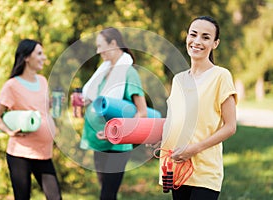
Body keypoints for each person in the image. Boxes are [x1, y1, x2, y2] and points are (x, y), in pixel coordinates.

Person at [159, 16, 237, 200]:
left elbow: (230, 126)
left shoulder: (221, 76)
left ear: (215, 43)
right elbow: (174, 122)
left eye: (205, 37)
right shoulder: (178, 79)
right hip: (177, 168)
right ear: (187, 37)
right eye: (193, 35)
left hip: (205, 171)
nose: (197, 41)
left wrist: (194, 149)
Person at [80, 27, 147, 200]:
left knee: (107, 194)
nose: (98, 51)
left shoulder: (129, 73)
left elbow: (142, 112)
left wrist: (116, 132)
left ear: (113, 43)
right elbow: (96, 101)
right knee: (107, 192)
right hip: (99, 141)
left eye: (100, 46)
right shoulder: (103, 72)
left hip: (117, 143)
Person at [0, 39, 62, 200]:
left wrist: (51, 103)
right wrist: (9, 131)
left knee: (55, 198)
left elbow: (40, 109)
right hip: (21, 153)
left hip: (44, 152)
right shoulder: (12, 86)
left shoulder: (43, 81)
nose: (44, 57)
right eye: (39, 53)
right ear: (26, 58)